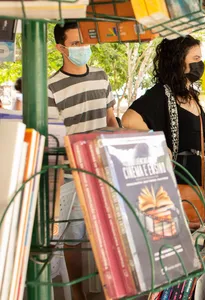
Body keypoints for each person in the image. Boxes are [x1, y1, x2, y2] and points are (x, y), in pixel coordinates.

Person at [48, 22, 119, 300]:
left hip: (104, 171)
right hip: (71, 175)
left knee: (108, 236)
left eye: (86, 41)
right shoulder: (52, 86)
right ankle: (78, 294)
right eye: (76, 43)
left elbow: (111, 119)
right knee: (74, 237)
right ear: (61, 48)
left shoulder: (101, 76)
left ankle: (110, 290)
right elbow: (53, 138)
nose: (84, 47)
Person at [122, 35, 205, 198]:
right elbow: (129, 120)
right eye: (196, 58)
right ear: (179, 62)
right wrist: (159, 143)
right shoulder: (162, 93)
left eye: (200, 58)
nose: (200, 64)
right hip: (174, 183)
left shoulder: (192, 96)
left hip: (197, 181)